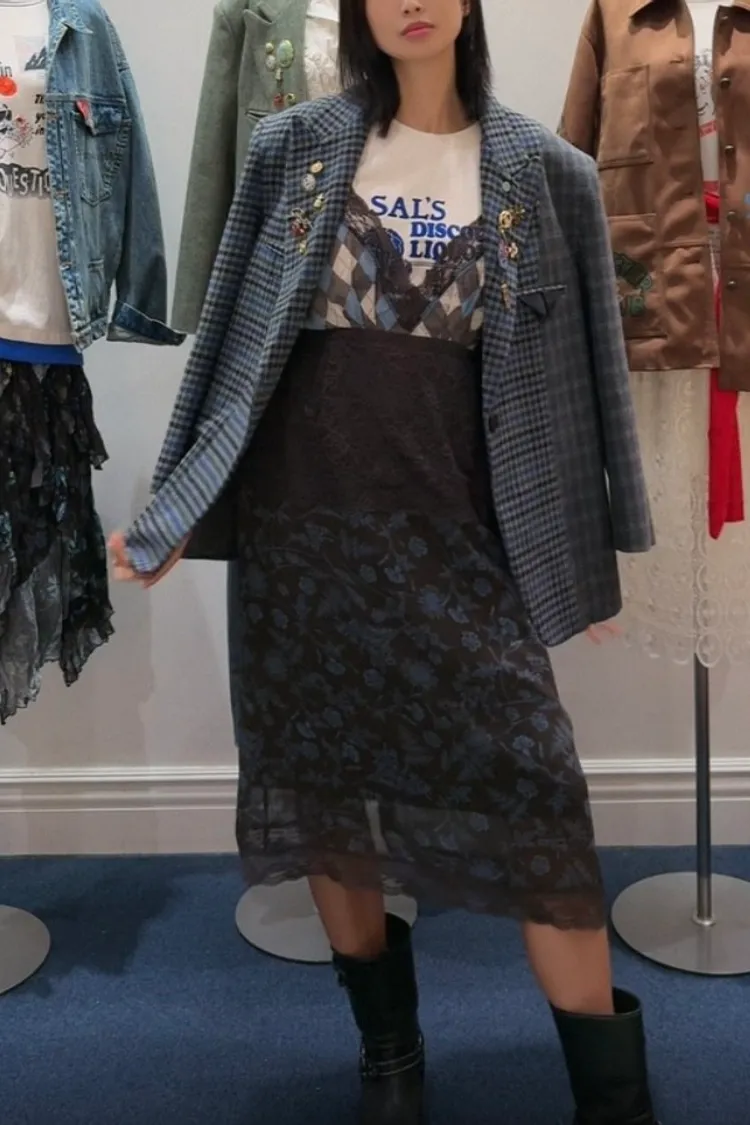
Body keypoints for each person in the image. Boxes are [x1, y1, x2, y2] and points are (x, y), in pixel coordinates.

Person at [109, 2, 660, 1122]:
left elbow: (588, 378)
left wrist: (588, 548)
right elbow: (232, 346)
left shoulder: (547, 172)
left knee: (541, 796)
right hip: (305, 538)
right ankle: (390, 1057)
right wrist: (175, 511)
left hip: (458, 538)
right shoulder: (293, 149)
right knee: (326, 794)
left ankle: (614, 1100)